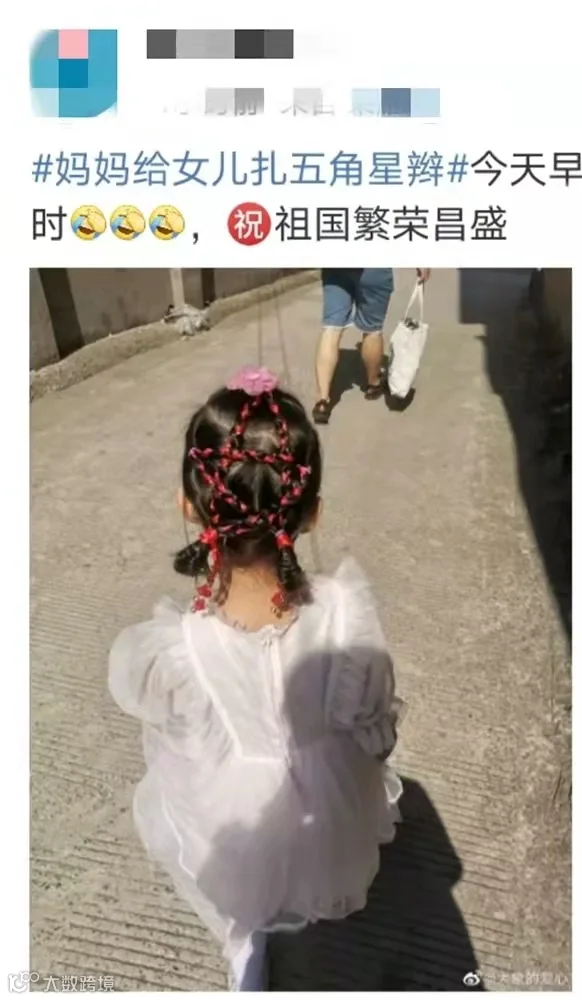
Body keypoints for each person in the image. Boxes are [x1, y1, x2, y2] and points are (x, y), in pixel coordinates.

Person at [108, 366, 402, 990]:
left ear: (188, 505)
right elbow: (376, 729)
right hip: (331, 803)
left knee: (235, 884)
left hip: (230, 809)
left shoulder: (178, 650)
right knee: (311, 869)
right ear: (312, 514)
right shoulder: (346, 616)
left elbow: (180, 745)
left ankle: (244, 948)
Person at [313, 267, 431, 424]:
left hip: (336, 267)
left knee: (331, 328)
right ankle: (373, 384)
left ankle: (322, 401)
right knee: (372, 330)